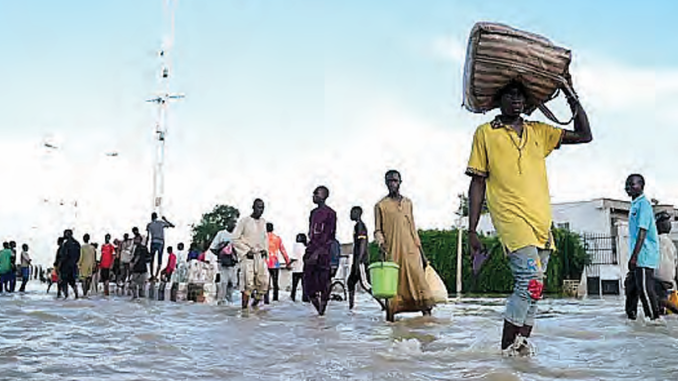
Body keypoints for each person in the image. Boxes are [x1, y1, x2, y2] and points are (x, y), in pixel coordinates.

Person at [466, 79, 592, 355]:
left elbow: (584, 135)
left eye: (520, 96)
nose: (516, 100)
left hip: (541, 221)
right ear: (498, 101)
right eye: (510, 95)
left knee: (537, 289)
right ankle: (506, 352)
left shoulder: (539, 131)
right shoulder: (485, 133)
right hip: (511, 217)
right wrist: (472, 229)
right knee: (529, 281)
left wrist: (571, 95)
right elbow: (477, 182)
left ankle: (520, 350)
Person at [374, 170, 434, 322]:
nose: (392, 183)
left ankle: (428, 321)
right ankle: (391, 322)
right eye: (389, 181)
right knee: (393, 287)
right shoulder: (380, 205)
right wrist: (380, 242)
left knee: (419, 281)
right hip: (393, 251)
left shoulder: (408, 203)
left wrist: (422, 253)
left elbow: (413, 228)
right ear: (385, 183)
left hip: (411, 250)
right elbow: (377, 229)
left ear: (400, 182)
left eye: (394, 180)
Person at [623, 174, 661, 321]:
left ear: (641, 186)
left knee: (645, 290)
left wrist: (634, 256)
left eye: (632, 185)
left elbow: (642, 231)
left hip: (644, 255)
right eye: (627, 185)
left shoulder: (643, 204)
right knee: (632, 288)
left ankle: (654, 320)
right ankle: (632, 319)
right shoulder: (635, 205)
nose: (629, 188)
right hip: (637, 255)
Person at [303, 186, 337, 316]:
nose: (313, 196)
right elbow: (311, 233)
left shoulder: (331, 214)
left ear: (323, 195)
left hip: (324, 253)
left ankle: (322, 310)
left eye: (316, 194)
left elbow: (330, 236)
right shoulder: (313, 213)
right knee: (308, 285)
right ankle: (318, 310)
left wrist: (318, 253)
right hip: (311, 250)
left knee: (325, 282)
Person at [232, 198, 269, 309]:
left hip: (260, 257)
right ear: (253, 207)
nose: (260, 210)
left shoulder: (263, 222)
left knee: (263, 284)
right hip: (248, 257)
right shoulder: (244, 221)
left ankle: (254, 306)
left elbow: (265, 238)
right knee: (248, 284)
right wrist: (246, 250)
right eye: (258, 207)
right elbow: (235, 238)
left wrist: (265, 250)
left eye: (262, 207)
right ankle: (244, 310)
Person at [347, 206, 377, 310]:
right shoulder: (357, 226)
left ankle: (384, 304)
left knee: (366, 284)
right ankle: (351, 307)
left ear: (357, 213)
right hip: (356, 261)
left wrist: (359, 261)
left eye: (352, 212)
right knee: (350, 282)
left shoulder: (360, 226)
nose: (350, 214)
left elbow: (363, 243)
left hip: (361, 261)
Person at [653, 211, 678, 314]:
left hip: (658, 279)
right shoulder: (671, 243)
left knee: (654, 299)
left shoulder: (656, 241)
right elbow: (675, 264)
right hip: (670, 281)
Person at [209, 219, 238, 304]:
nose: (233, 225)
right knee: (224, 282)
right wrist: (221, 254)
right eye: (231, 223)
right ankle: (221, 300)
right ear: (227, 224)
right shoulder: (221, 234)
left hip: (233, 262)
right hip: (223, 262)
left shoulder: (236, 235)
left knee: (233, 282)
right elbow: (213, 248)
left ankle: (229, 300)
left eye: (234, 224)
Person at [265, 222, 290, 303]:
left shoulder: (262, 238)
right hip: (275, 263)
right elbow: (283, 251)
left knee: (266, 283)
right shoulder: (277, 238)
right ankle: (275, 299)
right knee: (275, 282)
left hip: (265, 263)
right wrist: (287, 262)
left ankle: (266, 300)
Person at [146, 212, 176, 281]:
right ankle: (156, 276)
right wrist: (165, 219)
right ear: (156, 217)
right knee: (159, 260)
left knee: (152, 259)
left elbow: (148, 236)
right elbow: (172, 225)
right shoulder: (161, 223)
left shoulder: (149, 225)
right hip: (160, 242)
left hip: (153, 241)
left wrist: (146, 245)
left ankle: (152, 275)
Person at [58, 230, 81, 299]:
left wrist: (59, 265)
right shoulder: (77, 243)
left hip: (65, 266)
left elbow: (63, 256)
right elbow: (79, 255)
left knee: (64, 282)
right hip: (73, 265)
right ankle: (76, 295)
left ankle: (66, 296)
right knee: (72, 282)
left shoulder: (66, 244)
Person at [290, 233, 307, 302]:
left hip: (296, 268)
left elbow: (294, 257)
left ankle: (292, 297)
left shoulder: (296, 246)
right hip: (304, 268)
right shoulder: (306, 246)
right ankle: (305, 298)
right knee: (304, 286)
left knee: (294, 285)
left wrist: (289, 263)